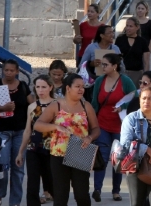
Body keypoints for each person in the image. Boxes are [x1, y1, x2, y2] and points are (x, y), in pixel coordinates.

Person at [34, 74, 101, 206]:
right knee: (60, 196)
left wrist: (90, 137)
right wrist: (55, 126)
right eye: (78, 86)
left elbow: (96, 129)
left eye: (83, 87)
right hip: (59, 155)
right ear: (68, 88)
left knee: (82, 195)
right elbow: (37, 125)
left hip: (81, 152)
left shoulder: (86, 106)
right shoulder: (56, 106)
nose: (81, 89)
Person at [0, 59, 34, 206]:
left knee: (18, 169)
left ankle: (15, 202)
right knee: (3, 164)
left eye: (12, 70)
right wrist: (3, 109)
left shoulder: (23, 86)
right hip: (2, 131)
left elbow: (33, 105)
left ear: (17, 71)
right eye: (6, 70)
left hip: (20, 131)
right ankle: (0, 192)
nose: (9, 73)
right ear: (3, 71)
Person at [90, 53, 136, 202]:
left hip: (120, 126)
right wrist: (91, 121)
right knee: (102, 155)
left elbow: (134, 97)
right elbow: (95, 102)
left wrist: (123, 106)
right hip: (102, 123)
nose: (102, 67)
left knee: (118, 157)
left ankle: (116, 191)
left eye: (105, 64)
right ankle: (97, 189)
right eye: (102, 64)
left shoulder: (126, 81)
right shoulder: (99, 81)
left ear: (114, 66)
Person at [121, 87, 151, 206]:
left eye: (149, 98)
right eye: (143, 98)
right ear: (139, 100)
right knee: (138, 202)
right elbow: (126, 143)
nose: (146, 101)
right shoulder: (131, 119)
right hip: (136, 166)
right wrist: (146, 149)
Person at [15, 75, 56, 206]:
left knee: (52, 181)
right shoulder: (32, 106)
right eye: (38, 87)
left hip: (53, 148)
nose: (40, 90)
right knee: (32, 182)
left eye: (44, 87)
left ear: (50, 87)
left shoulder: (58, 105)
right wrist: (20, 152)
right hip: (34, 147)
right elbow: (28, 130)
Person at [79, 26, 122, 99]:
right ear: (102, 35)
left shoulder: (115, 48)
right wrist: (91, 64)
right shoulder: (91, 47)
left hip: (111, 81)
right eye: (109, 33)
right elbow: (81, 65)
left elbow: (122, 66)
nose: (112, 35)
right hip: (94, 82)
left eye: (112, 32)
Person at [115, 17, 150, 84]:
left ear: (137, 27)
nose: (128, 28)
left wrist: (146, 77)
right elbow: (115, 56)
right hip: (122, 73)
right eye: (127, 26)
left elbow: (146, 62)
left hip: (137, 74)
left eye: (131, 26)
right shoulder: (120, 39)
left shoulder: (142, 41)